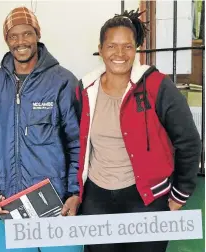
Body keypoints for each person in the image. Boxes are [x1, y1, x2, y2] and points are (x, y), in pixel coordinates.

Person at [76, 9, 202, 252]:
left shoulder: (157, 85)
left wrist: (179, 194)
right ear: (100, 49)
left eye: (128, 46)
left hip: (147, 199)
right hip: (97, 198)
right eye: (112, 46)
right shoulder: (85, 89)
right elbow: (75, 143)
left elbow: (188, 141)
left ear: (136, 50)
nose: (120, 54)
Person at [0, 6, 82, 252]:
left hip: (57, 209)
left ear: (38, 35)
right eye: (13, 36)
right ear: (7, 40)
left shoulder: (63, 81)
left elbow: (78, 144)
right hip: (7, 209)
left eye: (27, 34)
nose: (21, 41)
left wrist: (75, 193)